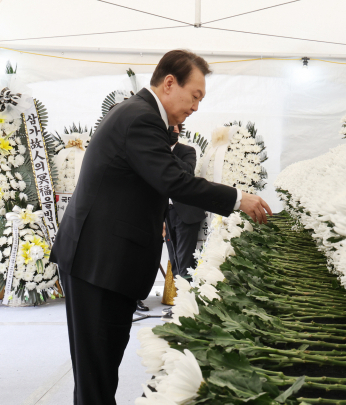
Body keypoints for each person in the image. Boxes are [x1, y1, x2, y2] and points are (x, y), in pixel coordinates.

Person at [50, 49, 272, 405]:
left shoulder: (142, 117)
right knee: (96, 379)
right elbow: (174, 181)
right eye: (195, 96)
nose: (196, 107)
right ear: (170, 83)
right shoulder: (140, 118)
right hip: (98, 262)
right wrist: (237, 199)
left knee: (100, 374)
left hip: (105, 261)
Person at [164, 123, 205, 280]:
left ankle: (187, 298)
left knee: (185, 260)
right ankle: (179, 300)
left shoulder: (187, 151)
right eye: (168, 128)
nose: (172, 131)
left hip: (186, 212)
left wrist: (166, 152)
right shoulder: (155, 154)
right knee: (173, 258)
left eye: (174, 128)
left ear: (179, 131)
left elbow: (188, 171)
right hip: (165, 213)